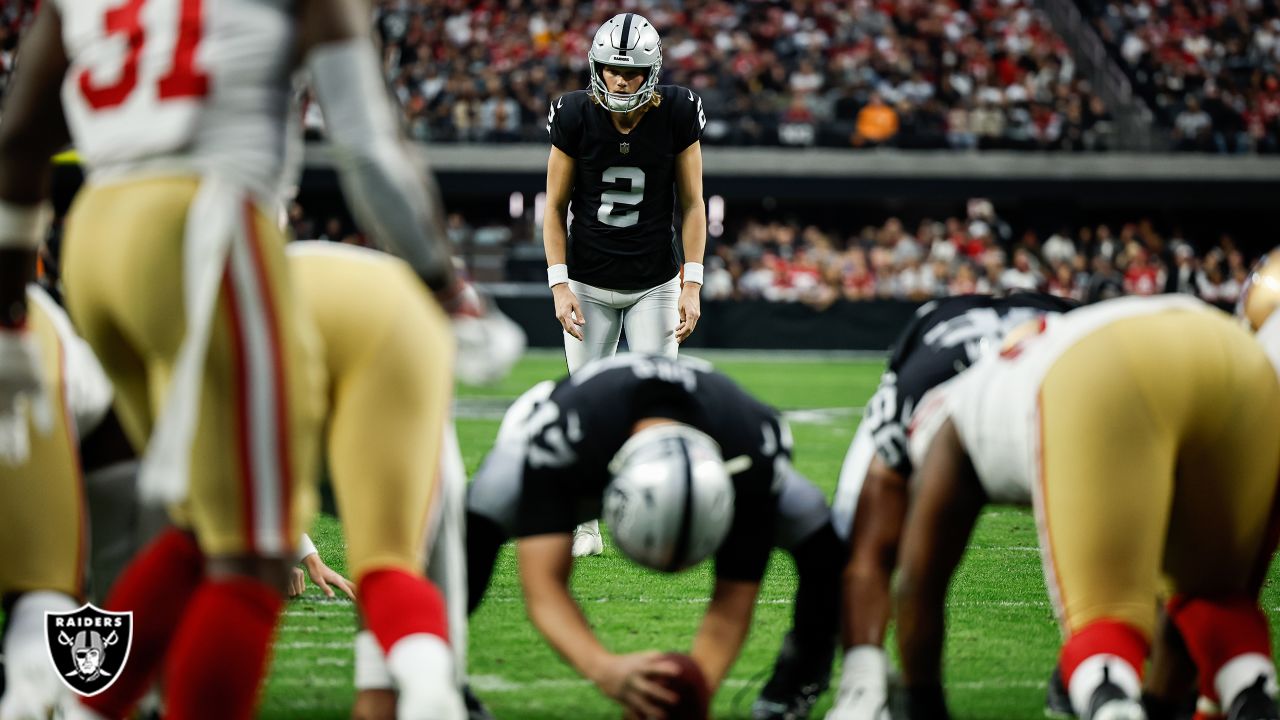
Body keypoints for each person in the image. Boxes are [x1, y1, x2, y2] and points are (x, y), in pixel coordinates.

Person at [0, 0, 471, 716]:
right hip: (207, 223)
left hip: (95, 241)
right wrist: (446, 285)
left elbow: (20, 138)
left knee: (198, 522)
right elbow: (369, 145)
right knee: (252, 553)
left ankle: (91, 706)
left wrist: (9, 312)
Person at [893, 294, 1280, 720]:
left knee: (1106, 622)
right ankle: (1251, 687)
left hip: (1107, 367)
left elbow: (916, 584)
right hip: (1239, 351)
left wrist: (918, 701)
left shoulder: (946, 419)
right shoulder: (1032, 352)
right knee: (1214, 599)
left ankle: (1109, 700)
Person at [465, 355, 845, 719]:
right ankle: (436, 660)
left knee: (822, 542)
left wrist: (692, 693)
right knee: (472, 525)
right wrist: (603, 668)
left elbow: (732, 602)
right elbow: (543, 586)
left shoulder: (751, 453)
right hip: (583, 433)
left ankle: (801, 677)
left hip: (724, 443)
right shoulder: (563, 440)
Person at [787, 293, 1076, 720]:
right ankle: (853, 683)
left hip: (1059, 372)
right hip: (966, 365)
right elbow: (876, 553)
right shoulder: (919, 397)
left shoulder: (1077, 383)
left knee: (873, 540)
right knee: (857, 531)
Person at [543, 12, 708, 557]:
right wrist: (559, 284)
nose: (618, 80)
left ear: (651, 73)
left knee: (656, 403)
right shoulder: (573, 114)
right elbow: (554, 210)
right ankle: (585, 525)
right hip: (587, 283)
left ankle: (661, 514)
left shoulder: (678, 112)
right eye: (611, 70)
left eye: (630, 72)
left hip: (653, 283)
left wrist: (692, 282)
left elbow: (692, 205)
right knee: (586, 411)